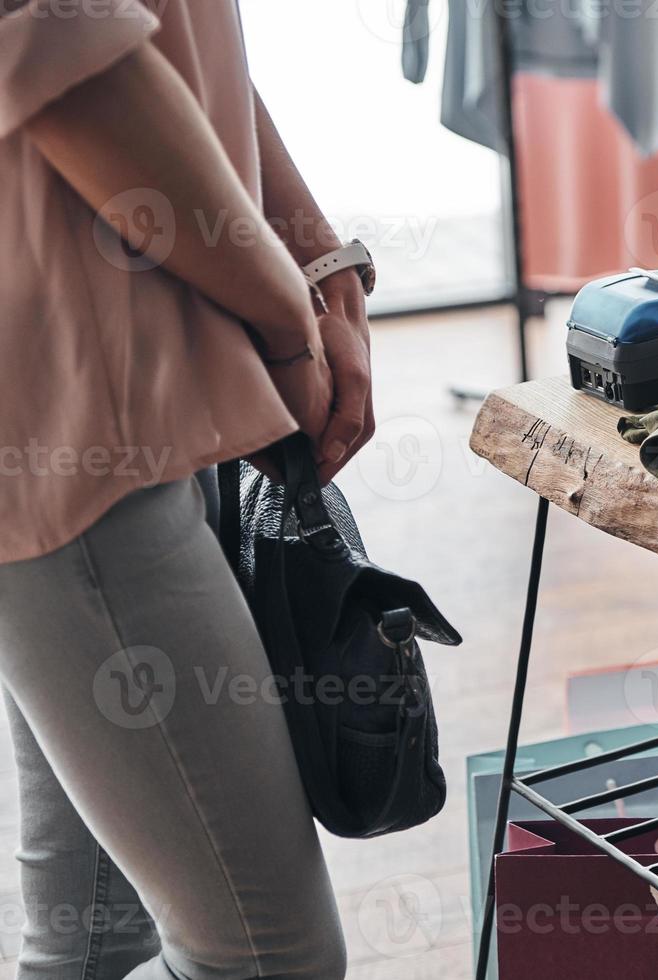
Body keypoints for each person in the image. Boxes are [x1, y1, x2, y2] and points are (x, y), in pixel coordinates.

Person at [0, 0, 376, 976]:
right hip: (70, 411)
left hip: (146, 373)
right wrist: (285, 318)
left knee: (92, 934)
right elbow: (72, 66)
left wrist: (314, 261)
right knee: (262, 956)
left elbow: (160, 34)